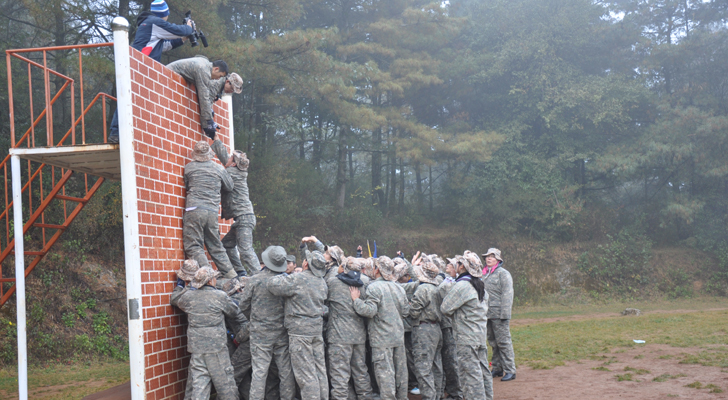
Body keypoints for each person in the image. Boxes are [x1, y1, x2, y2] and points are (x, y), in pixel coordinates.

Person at [108, 0, 195, 143]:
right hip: (138, 65)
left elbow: (163, 46)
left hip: (137, 65)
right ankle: (116, 133)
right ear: (164, 14)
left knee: (132, 97)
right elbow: (178, 30)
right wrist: (189, 27)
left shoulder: (151, 24)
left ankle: (121, 132)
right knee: (128, 97)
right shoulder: (154, 22)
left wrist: (183, 39)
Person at [267, 240, 329, 400]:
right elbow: (311, 265)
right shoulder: (322, 282)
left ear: (306, 264)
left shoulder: (298, 279)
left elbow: (272, 285)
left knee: (306, 376)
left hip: (300, 334)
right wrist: (304, 249)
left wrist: (275, 270)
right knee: (320, 371)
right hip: (316, 331)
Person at [176, 267, 247, 400]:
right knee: (226, 385)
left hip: (196, 347)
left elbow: (180, 303)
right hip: (216, 348)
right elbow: (234, 312)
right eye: (214, 277)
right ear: (210, 281)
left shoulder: (187, 297)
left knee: (200, 384)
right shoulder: (219, 296)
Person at [237, 246, 296, 400]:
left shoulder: (255, 280)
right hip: (281, 332)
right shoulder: (287, 281)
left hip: (260, 333)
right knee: (285, 372)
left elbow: (243, 305)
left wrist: (256, 317)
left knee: (259, 373)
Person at [351, 256, 410, 400]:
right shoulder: (398, 287)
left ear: (377, 270)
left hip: (381, 338)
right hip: (397, 335)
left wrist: (356, 300)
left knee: (385, 373)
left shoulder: (374, 287)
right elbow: (406, 311)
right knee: (401, 372)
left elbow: (369, 311)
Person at [440, 253, 493, 400]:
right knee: (483, 372)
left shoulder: (462, 285)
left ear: (462, 266)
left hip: (466, 338)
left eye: (457, 263)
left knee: (470, 376)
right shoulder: (480, 285)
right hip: (479, 336)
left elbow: (445, 308)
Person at [183, 141, 236, 278]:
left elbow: (188, 185)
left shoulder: (189, 168)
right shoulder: (219, 169)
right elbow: (230, 186)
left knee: (194, 246)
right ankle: (232, 276)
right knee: (216, 246)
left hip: (193, 209)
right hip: (212, 211)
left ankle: (208, 276)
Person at [325, 257, 374, 400]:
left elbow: (324, 302)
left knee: (339, 373)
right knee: (360, 371)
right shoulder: (364, 282)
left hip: (338, 335)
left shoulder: (333, 282)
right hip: (359, 335)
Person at [210, 139, 259, 276]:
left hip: (244, 218)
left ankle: (261, 278)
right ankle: (241, 272)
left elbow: (219, 170)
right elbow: (225, 158)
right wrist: (215, 138)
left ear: (233, 164)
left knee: (246, 250)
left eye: (231, 158)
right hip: (243, 218)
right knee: (227, 245)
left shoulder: (230, 174)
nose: (228, 158)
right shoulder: (236, 170)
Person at [167, 56, 229, 138]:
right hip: (167, 76)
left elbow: (206, 88)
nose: (218, 79)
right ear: (216, 69)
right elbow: (204, 98)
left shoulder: (205, 64)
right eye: (220, 76)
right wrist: (208, 123)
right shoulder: (204, 71)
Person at [409, 258, 444, 400]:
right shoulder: (438, 287)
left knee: (423, 367)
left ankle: (429, 397)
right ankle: (438, 394)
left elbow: (413, 312)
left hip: (424, 329)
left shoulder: (423, 289)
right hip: (436, 328)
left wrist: (409, 305)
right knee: (436, 365)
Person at [481, 248, 516, 381]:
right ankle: (497, 368)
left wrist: (505, 314)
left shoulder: (503, 273)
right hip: (486, 314)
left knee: (503, 342)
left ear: (498, 259)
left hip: (499, 314)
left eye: (492, 256)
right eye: (487, 256)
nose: (489, 259)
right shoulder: (483, 274)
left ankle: (510, 370)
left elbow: (508, 294)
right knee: (493, 342)